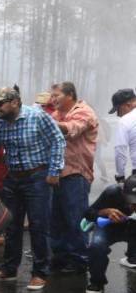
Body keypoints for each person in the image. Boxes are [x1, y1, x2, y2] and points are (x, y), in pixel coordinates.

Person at [0, 86, 66, 290]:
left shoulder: (37, 116)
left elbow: (58, 141)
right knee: (11, 224)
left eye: (0, 104)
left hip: (37, 177)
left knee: (38, 226)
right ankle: (9, 270)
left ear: (15, 102)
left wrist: (54, 171)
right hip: (12, 178)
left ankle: (39, 273)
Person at [49, 82, 98, 273]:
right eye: (52, 96)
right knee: (56, 218)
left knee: (75, 218)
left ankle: (79, 260)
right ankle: (60, 258)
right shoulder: (56, 114)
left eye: (56, 96)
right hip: (57, 174)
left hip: (76, 173)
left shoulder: (84, 111)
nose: (52, 100)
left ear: (70, 95)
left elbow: (71, 128)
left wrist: (44, 122)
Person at [85, 175, 136, 293]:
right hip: (110, 228)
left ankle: (133, 256)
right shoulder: (112, 192)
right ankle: (97, 282)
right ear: (123, 193)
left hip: (133, 229)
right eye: (131, 201)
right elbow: (88, 214)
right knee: (97, 246)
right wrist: (105, 212)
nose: (134, 206)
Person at [112, 88, 136, 183]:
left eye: (118, 110)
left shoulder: (125, 120)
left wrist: (120, 177)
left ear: (128, 105)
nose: (118, 115)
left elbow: (120, 150)